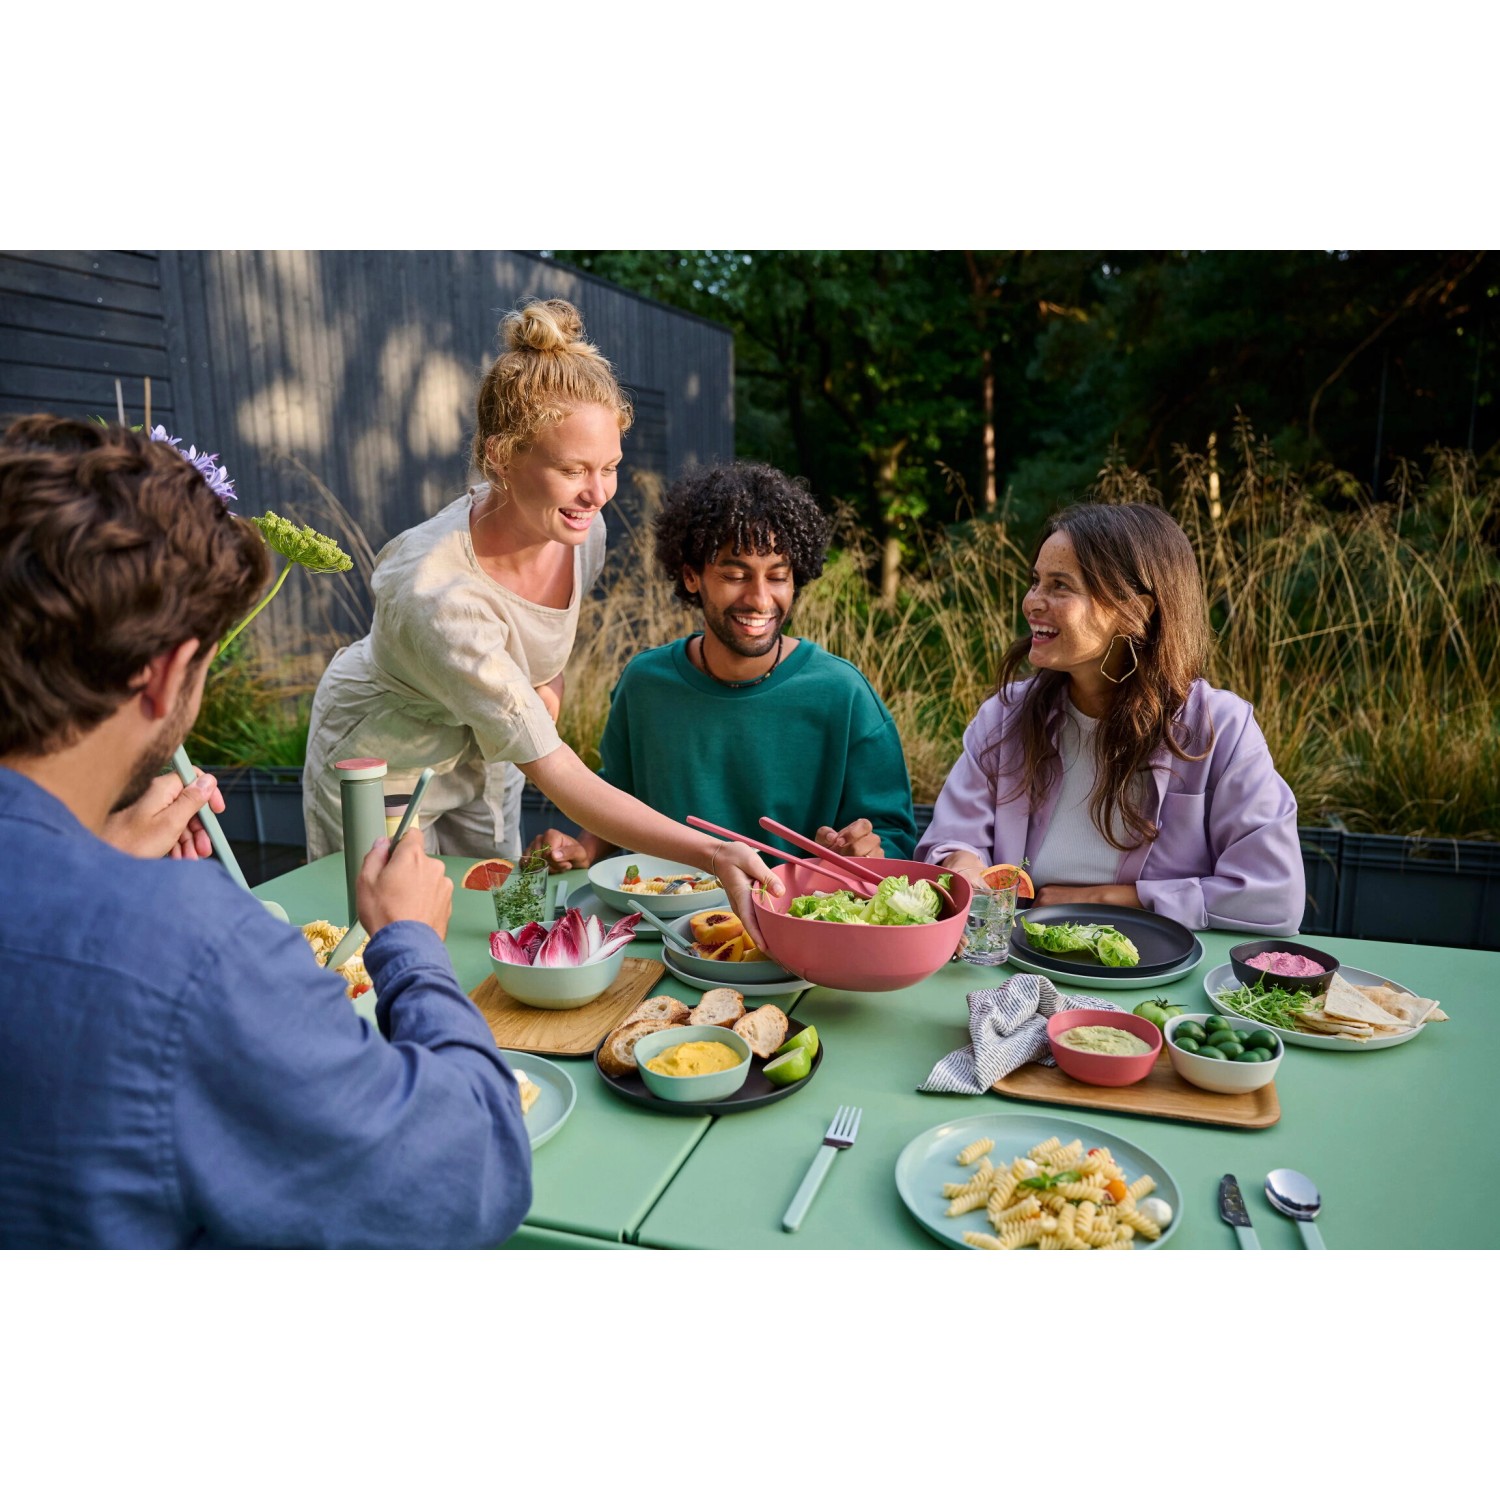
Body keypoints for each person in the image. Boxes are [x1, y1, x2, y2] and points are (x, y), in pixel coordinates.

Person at [0, 415, 534, 1248]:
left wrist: (86, 862)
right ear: (169, 672)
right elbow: (464, 1177)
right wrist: (411, 947)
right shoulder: (188, 948)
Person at [302, 300, 777, 932]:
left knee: (496, 921)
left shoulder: (582, 529)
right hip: (386, 756)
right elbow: (555, 769)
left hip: (486, 750)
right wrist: (714, 853)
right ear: (501, 456)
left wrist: (544, 685)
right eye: (571, 470)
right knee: (385, 938)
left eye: (608, 467)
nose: (597, 492)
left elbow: (537, 638)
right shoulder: (438, 592)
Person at [916, 501, 1304, 932]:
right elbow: (951, 839)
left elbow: (1275, 896)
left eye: (1060, 586)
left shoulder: (1219, 729)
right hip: (1017, 966)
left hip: (1158, 981)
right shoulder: (1005, 716)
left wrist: (1111, 901)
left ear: (1136, 612)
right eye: (1035, 582)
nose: (1032, 602)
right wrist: (964, 865)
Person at [527, 461, 918, 871]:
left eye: (779, 577)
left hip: (793, 924)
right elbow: (620, 800)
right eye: (736, 574)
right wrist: (582, 849)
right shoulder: (645, 685)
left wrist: (865, 853)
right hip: (660, 923)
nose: (761, 599)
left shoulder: (844, 694)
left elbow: (896, 839)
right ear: (692, 576)